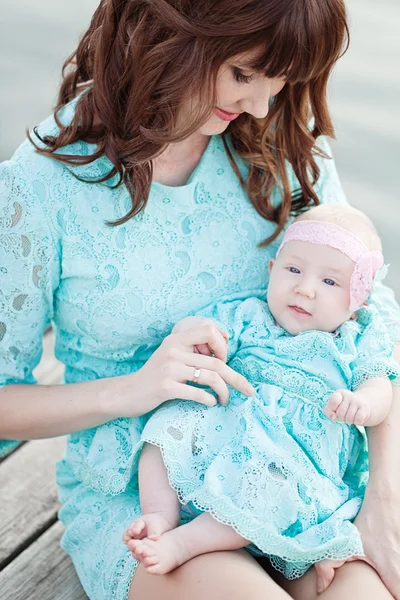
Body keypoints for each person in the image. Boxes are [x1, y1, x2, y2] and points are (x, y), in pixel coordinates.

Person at [0, 1, 399, 599]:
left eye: (279, 80)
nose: (261, 105)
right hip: (148, 493)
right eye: (243, 74)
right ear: (171, 29)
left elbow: (374, 330)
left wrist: (382, 503)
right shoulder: (42, 185)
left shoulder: (280, 139)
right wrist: (133, 389)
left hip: (309, 477)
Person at [122, 204, 399, 586]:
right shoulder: (250, 314)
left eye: (330, 282)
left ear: (358, 301)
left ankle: (186, 543)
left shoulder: (358, 339)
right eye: (294, 270)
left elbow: (380, 386)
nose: (305, 288)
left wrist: (364, 403)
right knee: (167, 428)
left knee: (270, 491)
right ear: (272, 271)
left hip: (290, 455)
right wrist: (197, 337)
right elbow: (203, 330)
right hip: (226, 422)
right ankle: (160, 513)